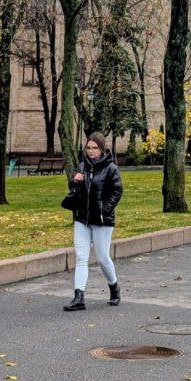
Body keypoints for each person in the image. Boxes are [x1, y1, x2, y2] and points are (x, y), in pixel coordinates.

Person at [63, 133, 123, 312]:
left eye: (94, 148)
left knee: (103, 258)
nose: (90, 151)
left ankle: (114, 287)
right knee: (81, 257)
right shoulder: (82, 166)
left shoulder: (111, 168)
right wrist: (75, 181)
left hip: (102, 220)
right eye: (88, 148)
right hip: (82, 218)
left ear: (101, 149)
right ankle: (79, 297)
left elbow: (117, 191)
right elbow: (76, 190)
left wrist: (105, 210)